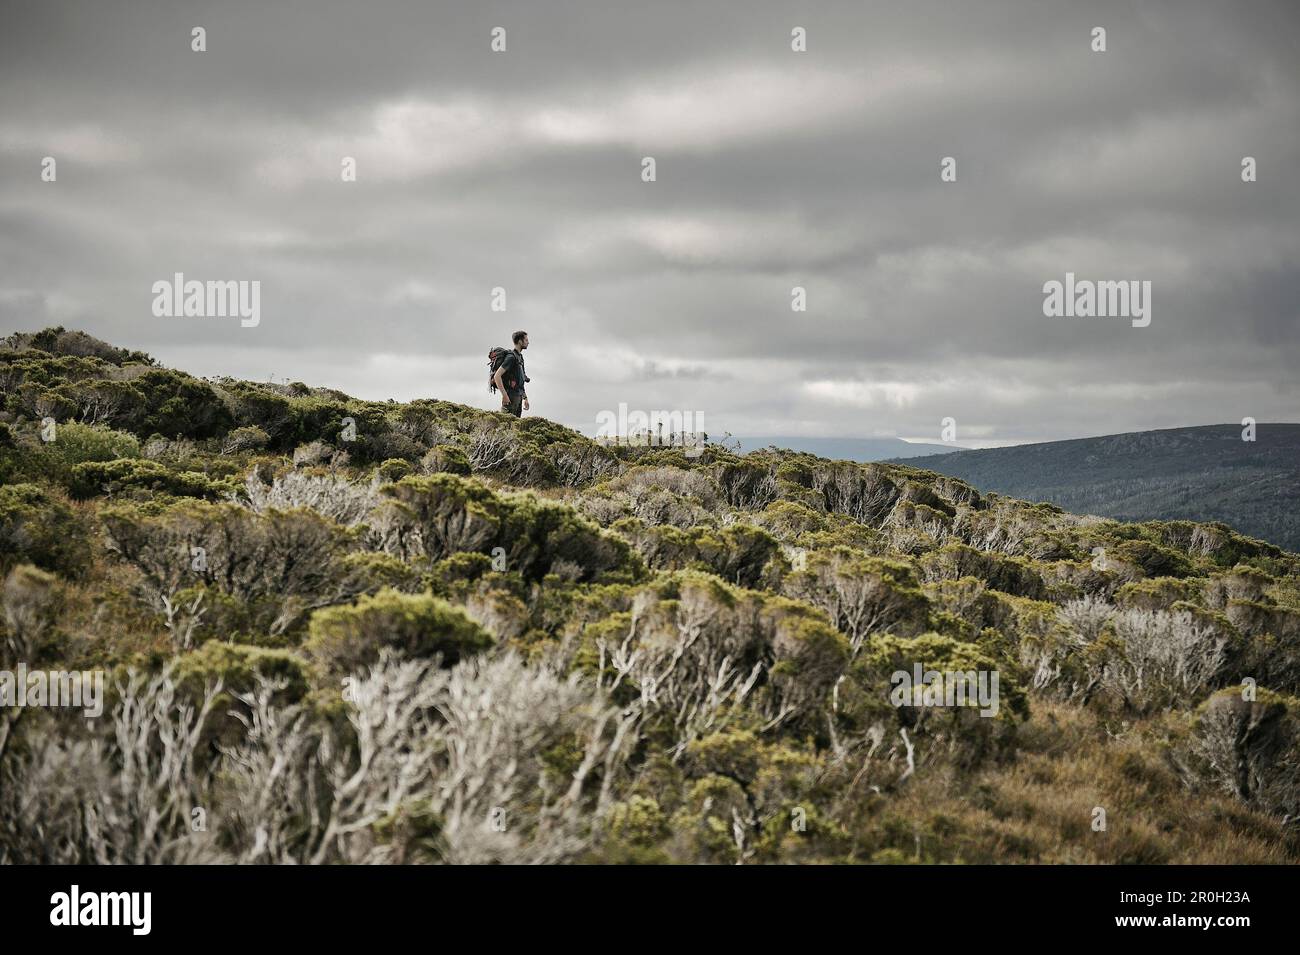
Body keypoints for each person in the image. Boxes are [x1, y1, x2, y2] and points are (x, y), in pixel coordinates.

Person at [494, 330, 530, 417]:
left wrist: (525, 397)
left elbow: (520, 379)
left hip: (518, 397)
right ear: (520, 341)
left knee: (515, 427)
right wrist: (504, 395)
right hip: (510, 397)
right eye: (526, 340)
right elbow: (497, 376)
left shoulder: (520, 357)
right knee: (506, 426)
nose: (528, 342)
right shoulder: (511, 357)